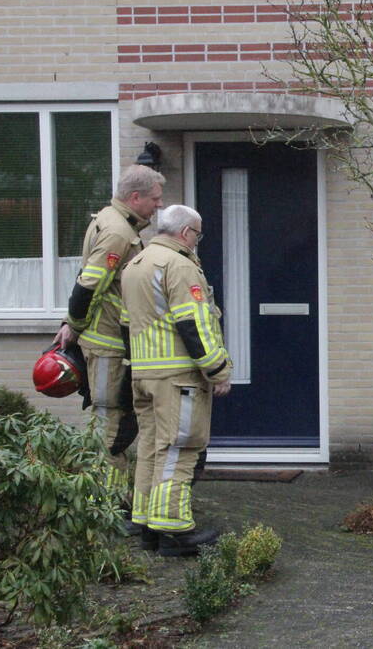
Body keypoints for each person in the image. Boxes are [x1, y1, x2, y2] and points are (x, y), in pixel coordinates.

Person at [54, 164, 165, 528]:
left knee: (114, 422)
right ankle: (110, 509)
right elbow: (90, 283)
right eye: (154, 199)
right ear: (135, 197)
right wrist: (73, 325)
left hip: (108, 342)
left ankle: (113, 502)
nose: (157, 207)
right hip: (107, 347)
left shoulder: (110, 220)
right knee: (110, 427)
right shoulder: (119, 232)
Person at [121, 204, 232, 556]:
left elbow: (126, 324)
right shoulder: (179, 265)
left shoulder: (135, 265)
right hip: (177, 377)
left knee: (152, 450)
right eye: (197, 235)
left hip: (143, 373)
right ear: (186, 233)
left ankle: (146, 523)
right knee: (179, 449)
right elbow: (193, 324)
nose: (197, 241)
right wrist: (217, 369)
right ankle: (173, 529)